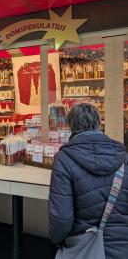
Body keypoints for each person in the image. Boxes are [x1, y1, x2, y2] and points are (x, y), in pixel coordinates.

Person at [49, 103, 128, 259]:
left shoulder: (63, 159)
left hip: (83, 245)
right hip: (121, 245)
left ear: (70, 125)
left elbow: (61, 218)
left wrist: (58, 242)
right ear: (98, 123)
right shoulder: (123, 156)